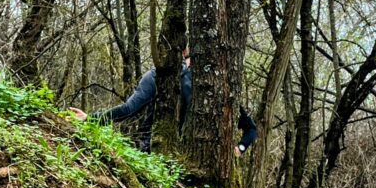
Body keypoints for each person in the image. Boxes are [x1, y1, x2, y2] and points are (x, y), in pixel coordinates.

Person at [76, 50, 258, 156]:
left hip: (184, 157)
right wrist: (90, 119)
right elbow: (129, 109)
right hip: (152, 148)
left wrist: (240, 148)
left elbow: (251, 128)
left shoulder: (216, 92)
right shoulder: (159, 75)